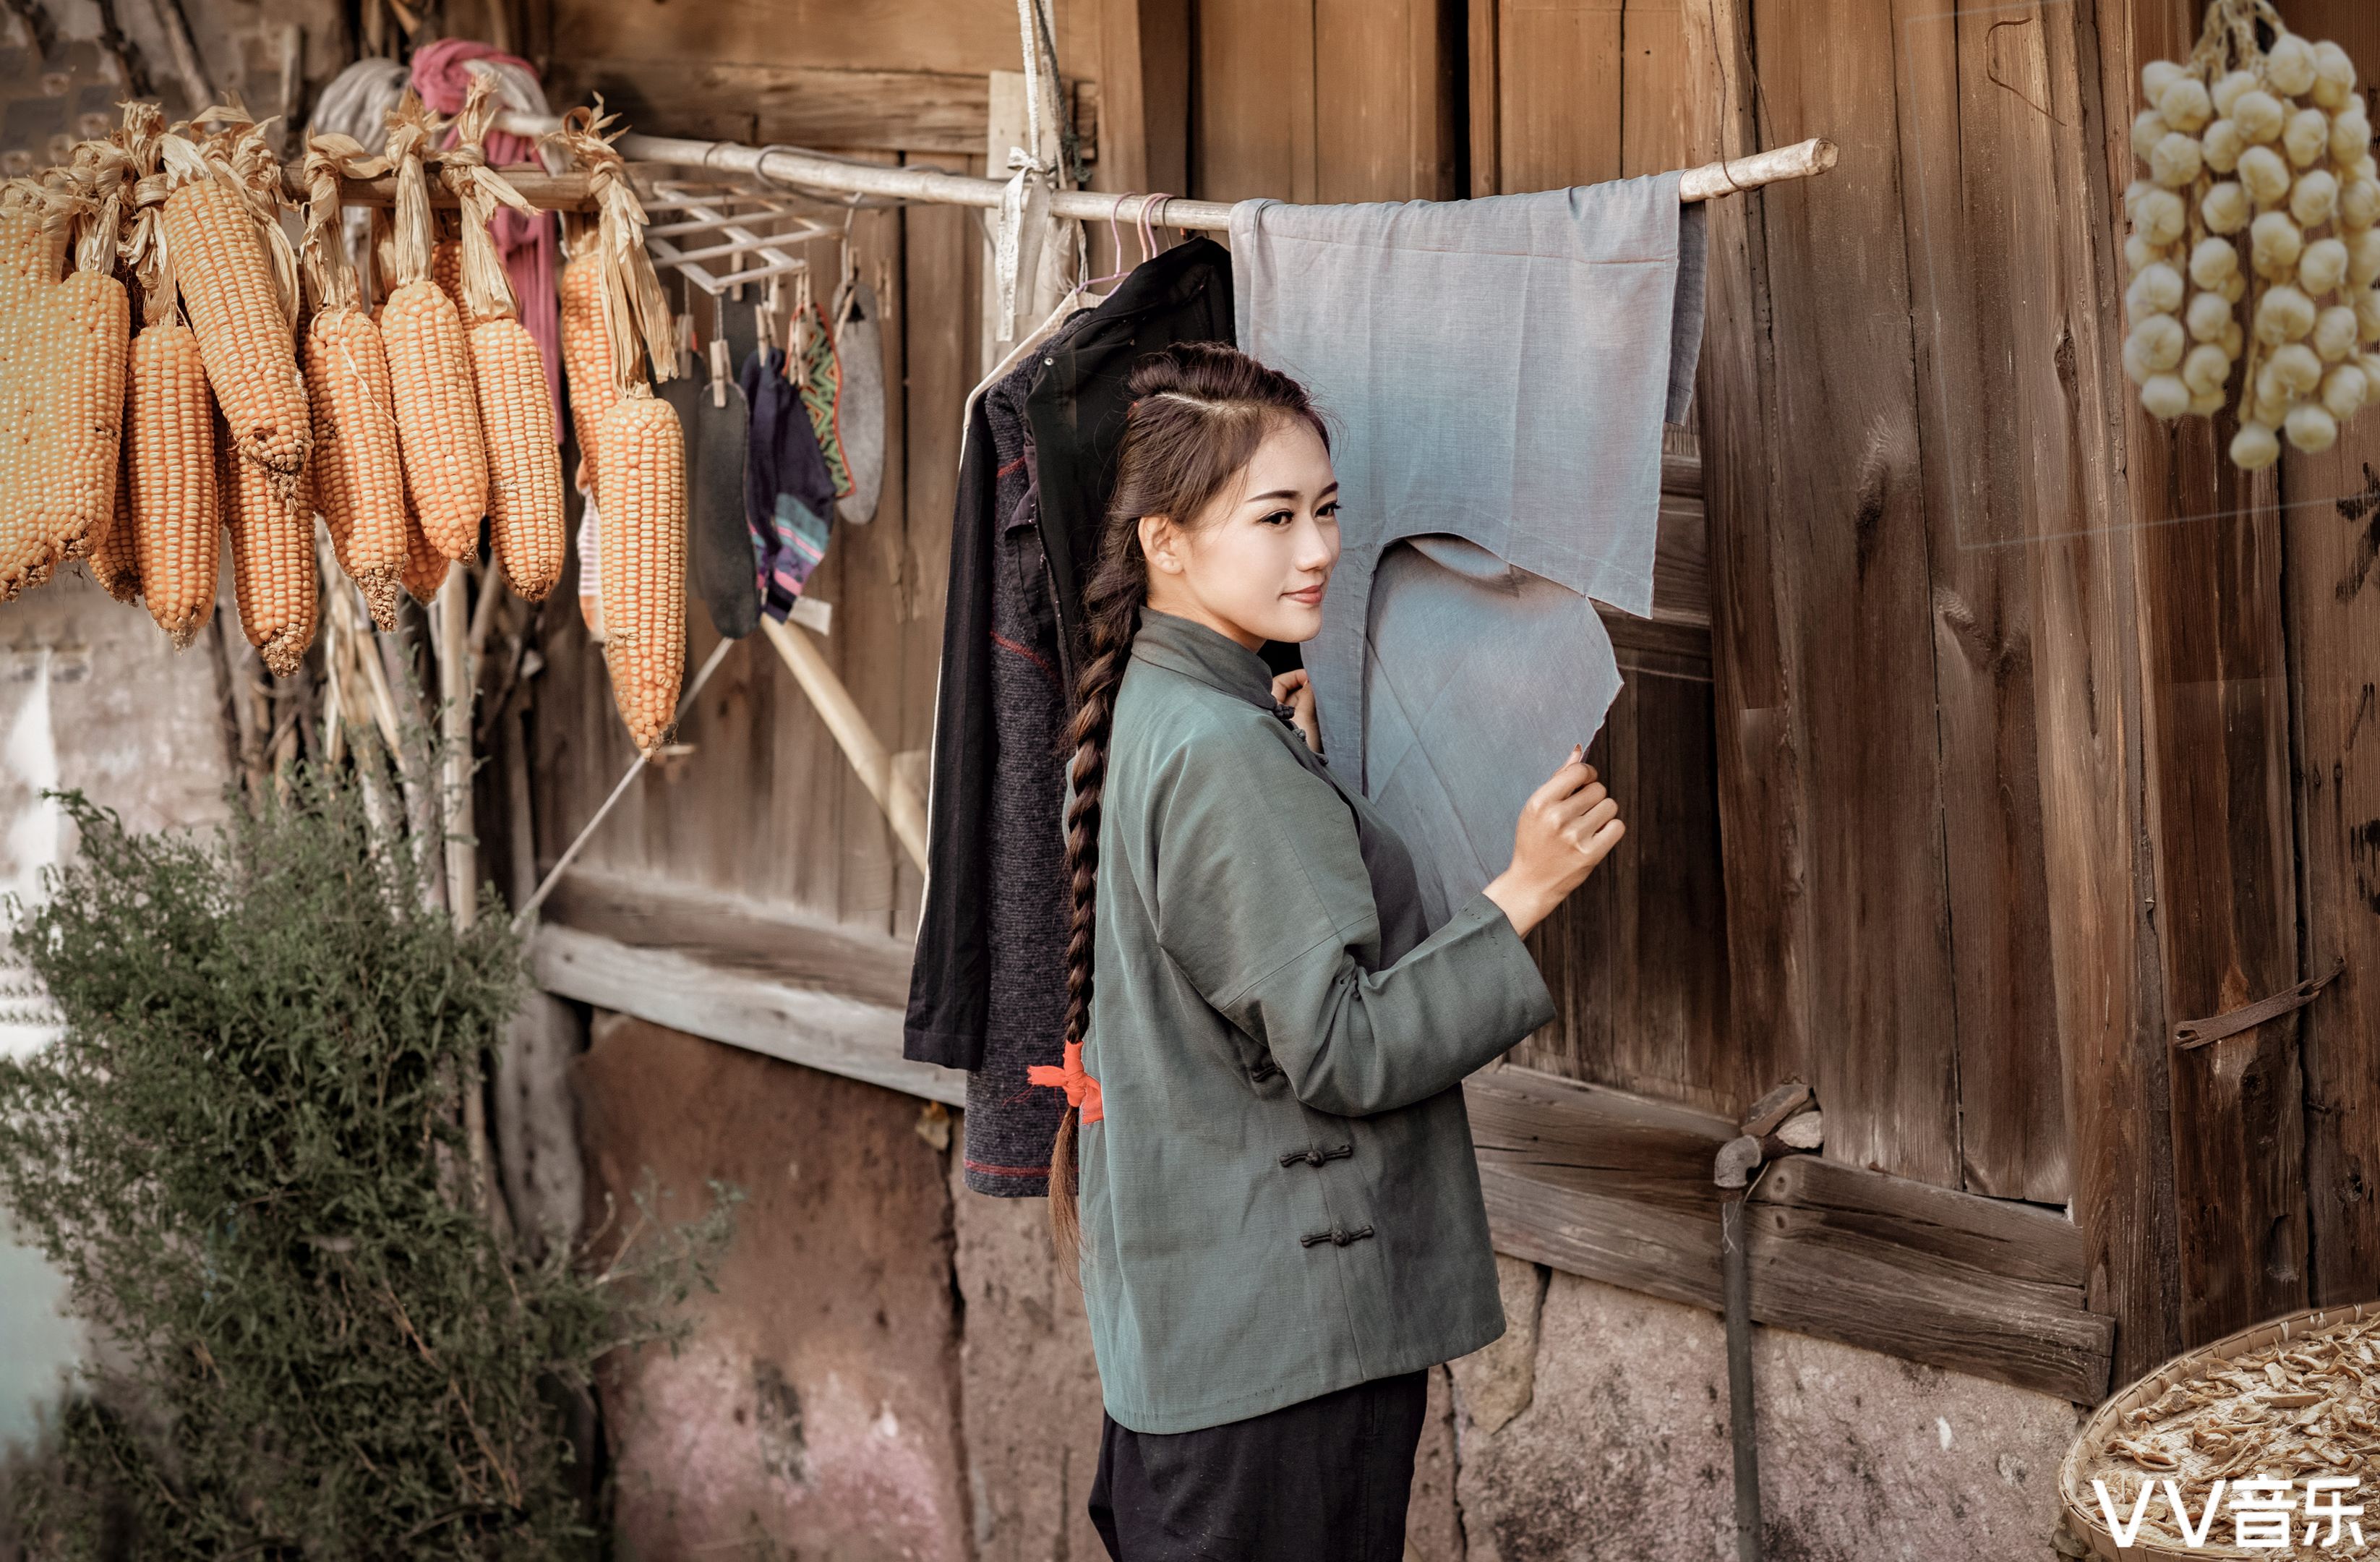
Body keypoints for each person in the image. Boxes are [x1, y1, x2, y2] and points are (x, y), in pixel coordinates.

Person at [1027, 342, 1625, 1561]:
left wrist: (1277, 745)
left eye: (1330, 510)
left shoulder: (1159, 701)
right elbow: (1342, 1049)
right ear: (1166, 542)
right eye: (1277, 517)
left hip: (1203, 1345)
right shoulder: (1219, 747)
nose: (1320, 550)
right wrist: (1520, 894)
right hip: (1281, 1358)